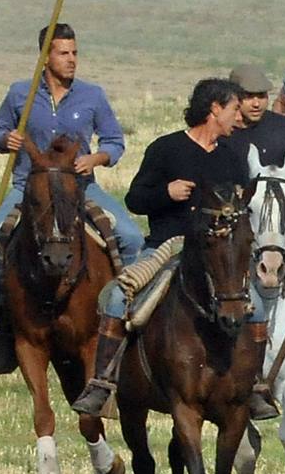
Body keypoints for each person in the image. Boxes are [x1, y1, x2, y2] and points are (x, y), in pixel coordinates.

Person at [69, 78, 270, 419]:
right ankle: (102, 383)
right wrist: (167, 193)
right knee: (118, 297)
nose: (239, 117)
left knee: (258, 307)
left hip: (215, 256)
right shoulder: (166, 149)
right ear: (214, 109)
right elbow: (135, 199)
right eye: (234, 109)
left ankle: (256, 386)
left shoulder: (233, 158)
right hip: (167, 246)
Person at [0, 23, 144, 377]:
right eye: (63, 53)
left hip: (79, 188)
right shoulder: (20, 94)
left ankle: (127, 319)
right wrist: (5, 140)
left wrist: (96, 158)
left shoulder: (92, 95)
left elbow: (114, 141)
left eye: (75, 53)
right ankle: (5, 330)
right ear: (45, 57)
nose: (72, 60)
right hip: (29, 189)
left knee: (131, 238)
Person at [221, 64, 285, 245]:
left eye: (261, 96)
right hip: (234, 220)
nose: (256, 103)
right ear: (233, 98)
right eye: (248, 96)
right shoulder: (222, 133)